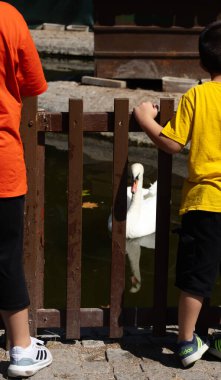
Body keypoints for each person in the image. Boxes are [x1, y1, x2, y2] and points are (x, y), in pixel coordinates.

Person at [133, 19, 221, 368]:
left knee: (195, 278)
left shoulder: (197, 96)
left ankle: (185, 342)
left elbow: (171, 143)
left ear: (202, 63)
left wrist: (145, 118)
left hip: (205, 203)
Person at [0, 2, 52, 377]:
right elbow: (34, 83)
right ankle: (20, 347)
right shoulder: (8, 16)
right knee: (5, 255)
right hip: (2, 162)